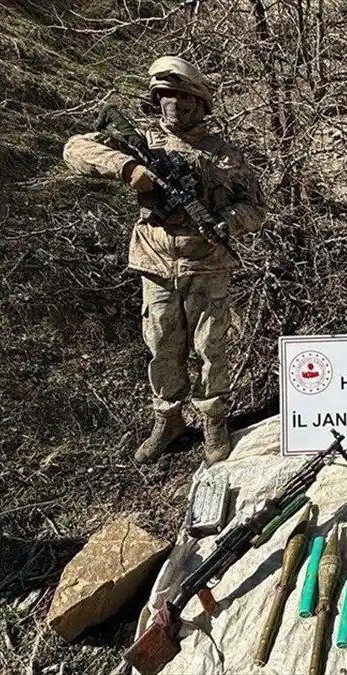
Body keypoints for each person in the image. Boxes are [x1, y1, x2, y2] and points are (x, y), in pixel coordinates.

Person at [62, 55, 267, 466]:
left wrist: (226, 223)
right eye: (165, 95)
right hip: (155, 260)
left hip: (206, 262)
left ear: (199, 103)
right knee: (161, 346)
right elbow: (74, 149)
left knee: (211, 347)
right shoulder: (143, 142)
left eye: (182, 96)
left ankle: (212, 422)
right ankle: (169, 419)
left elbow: (255, 207)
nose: (174, 103)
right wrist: (126, 168)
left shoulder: (226, 155)